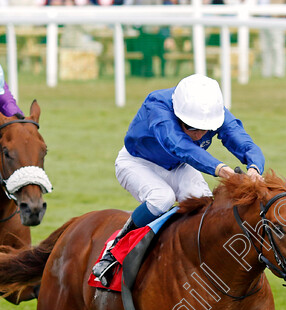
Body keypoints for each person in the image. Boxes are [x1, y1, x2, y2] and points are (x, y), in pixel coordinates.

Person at [92, 73, 266, 286]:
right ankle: (114, 251)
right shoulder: (157, 105)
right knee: (162, 198)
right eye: (192, 127)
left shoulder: (215, 113)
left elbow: (243, 141)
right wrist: (221, 169)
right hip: (136, 162)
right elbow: (180, 146)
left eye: (206, 129)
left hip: (177, 165)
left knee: (204, 203)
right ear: (178, 112)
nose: (200, 135)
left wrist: (255, 167)